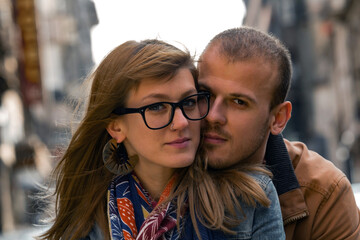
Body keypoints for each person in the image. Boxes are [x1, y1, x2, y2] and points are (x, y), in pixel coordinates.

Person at [39, 39, 285, 240]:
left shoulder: (248, 198)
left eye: (189, 102)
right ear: (116, 126)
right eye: (157, 107)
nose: (181, 122)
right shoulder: (86, 221)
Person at [197, 26, 360, 240]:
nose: (213, 116)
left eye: (238, 102)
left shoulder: (323, 192)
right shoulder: (163, 164)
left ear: (278, 119)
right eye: (205, 94)